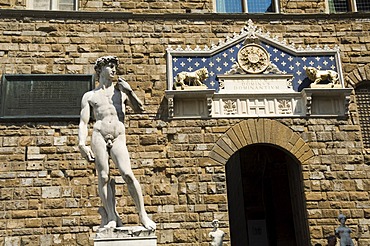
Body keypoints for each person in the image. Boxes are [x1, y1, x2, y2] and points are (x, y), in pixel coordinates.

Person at [78, 56, 155, 230]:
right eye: (110, 67)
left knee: (127, 174)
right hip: (99, 135)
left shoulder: (120, 92)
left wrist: (130, 92)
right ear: (100, 69)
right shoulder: (90, 96)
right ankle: (111, 216)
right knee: (103, 176)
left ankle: (142, 214)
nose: (114, 70)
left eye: (115, 67)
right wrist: (81, 143)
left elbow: (140, 108)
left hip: (118, 136)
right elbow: (83, 122)